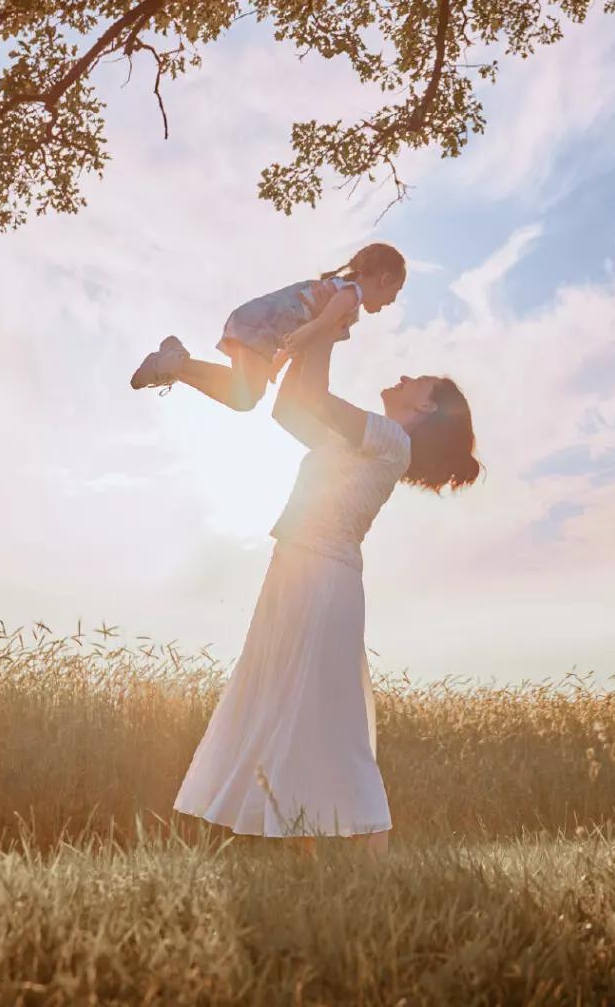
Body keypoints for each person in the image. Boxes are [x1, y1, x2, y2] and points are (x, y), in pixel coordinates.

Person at [171, 329, 479, 857]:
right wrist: (315, 334)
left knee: (331, 724)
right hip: (296, 571)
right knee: (291, 716)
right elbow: (289, 409)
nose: (405, 377)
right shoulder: (364, 437)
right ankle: (307, 865)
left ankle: (374, 871)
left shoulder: (390, 438)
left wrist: (329, 328)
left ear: (426, 406)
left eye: (418, 380)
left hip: (321, 578)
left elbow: (311, 397)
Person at [130, 243, 407, 411]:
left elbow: (299, 337)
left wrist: (277, 363)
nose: (392, 301)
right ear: (385, 280)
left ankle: (174, 362)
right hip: (261, 327)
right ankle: (174, 363)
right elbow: (317, 326)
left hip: (256, 322)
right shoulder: (351, 295)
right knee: (246, 396)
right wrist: (302, 341)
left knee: (244, 394)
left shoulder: (338, 288)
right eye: (395, 292)